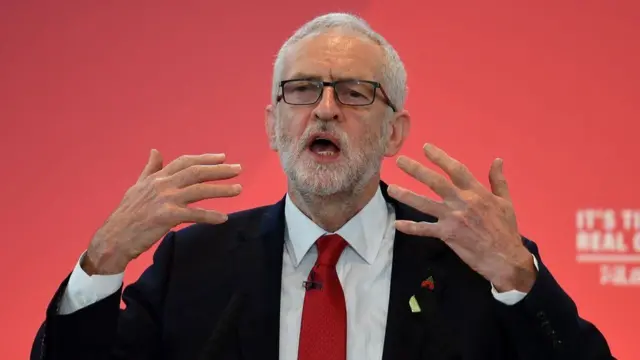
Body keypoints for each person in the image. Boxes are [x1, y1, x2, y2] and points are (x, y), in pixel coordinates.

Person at [31, 12, 613, 360]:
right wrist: (101, 260)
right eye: (302, 89)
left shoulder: (472, 264)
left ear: (394, 132)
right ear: (272, 124)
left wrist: (517, 278)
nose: (326, 109)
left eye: (355, 92)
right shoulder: (196, 262)